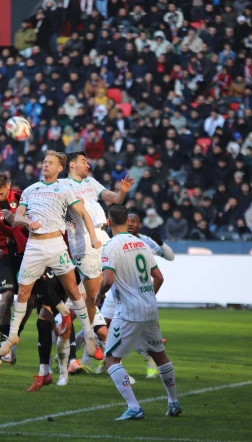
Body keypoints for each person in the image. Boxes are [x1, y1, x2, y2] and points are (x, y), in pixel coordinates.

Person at [0, 151, 101, 360]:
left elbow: (84, 214)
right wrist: (28, 222)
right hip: (34, 246)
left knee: (73, 291)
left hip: (56, 246)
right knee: (24, 294)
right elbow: (17, 217)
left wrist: (93, 237)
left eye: (50, 162)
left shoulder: (64, 188)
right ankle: (13, 336)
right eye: (44, 161)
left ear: (60, 168)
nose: (46, 165)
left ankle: (89, 335)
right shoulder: (30, 190)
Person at [99, 204, 181, 420]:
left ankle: (134, 407)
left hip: (128, 311)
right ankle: (173, 402)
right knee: (159, 355)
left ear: (109, 222)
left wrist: (98, 295)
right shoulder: (142, 244)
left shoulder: (110, 246)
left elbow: (107, 280)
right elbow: (160, 278)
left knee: (111, 359)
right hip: (150, 307)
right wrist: (147, 297)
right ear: (128, 221)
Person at [61, 152, 133, 354]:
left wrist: (123, 192)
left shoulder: (91, 182)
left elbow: (114, 198)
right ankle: (93, 336)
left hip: (104, 235)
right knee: (94, 294)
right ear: (72, 165)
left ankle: (82, 332)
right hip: (83, 239)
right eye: (84, 161)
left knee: (118, 282)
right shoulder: (62, 186)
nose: (88, 165)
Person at [96, 211, 175, 378]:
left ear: (139, 225)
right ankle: (107, 362)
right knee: (101, 326)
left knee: (141, 334)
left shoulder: (144, 241)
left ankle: (145, 365)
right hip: (118, 293)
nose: (131, 223)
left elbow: (170, 257)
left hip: (133, 295)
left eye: (134, 221)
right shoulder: (127, 243)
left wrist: (160, 243)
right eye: (128, 220)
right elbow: (159, 277)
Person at [0, 172, 32, 374]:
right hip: (4, 256)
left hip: (26, 252)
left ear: (9, 186)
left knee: (29, 300)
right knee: (6, 299)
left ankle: (13, 337)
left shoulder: (23, 197)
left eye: (2, 194)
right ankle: (5, 342)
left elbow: (31, 222)